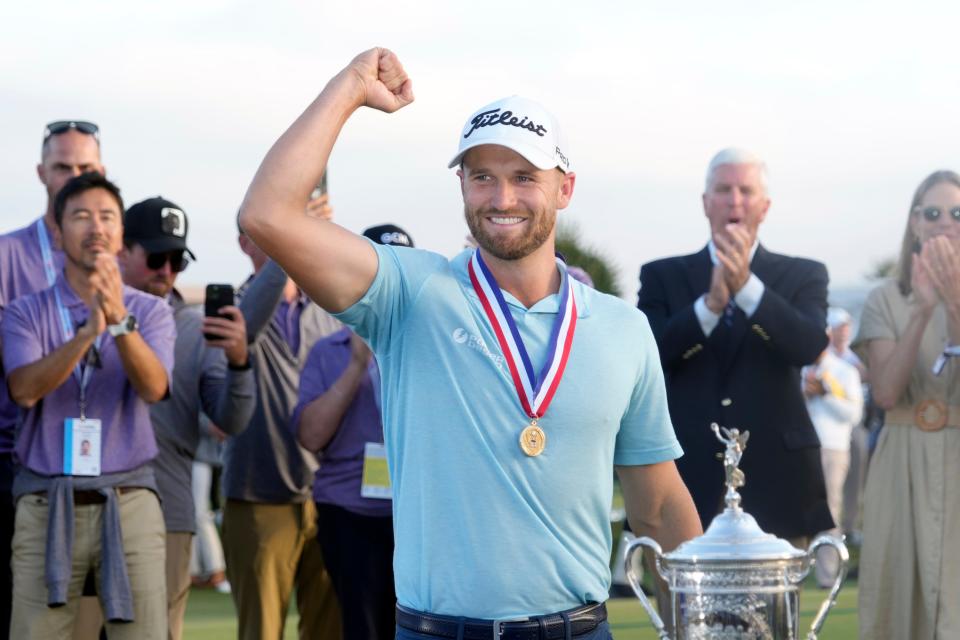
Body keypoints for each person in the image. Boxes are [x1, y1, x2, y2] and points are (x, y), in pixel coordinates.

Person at [238, 47, 702, 639]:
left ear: (565, 189)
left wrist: (708, 623)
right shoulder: (411, 292)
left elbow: (658, 505)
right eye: (482, 176)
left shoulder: (622, 328)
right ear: (461, 183)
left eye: (524, 177)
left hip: (579, 630)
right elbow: (267, 214)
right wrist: (350, 88)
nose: (502, 198)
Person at [1, 172, 175, 639]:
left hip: (130, 499)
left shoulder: (152, 311)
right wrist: (84, 334)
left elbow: (155, 387)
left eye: (107, 217)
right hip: (45, 501)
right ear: (57, 233)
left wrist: (118, 319)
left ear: (120, 235)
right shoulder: (25, 311)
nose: (95, 227)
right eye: (80, 216)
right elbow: (24, 389)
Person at [638, 148, 833, 546]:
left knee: (775, 610)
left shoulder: (803, 274)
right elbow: (649, 356)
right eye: (724, 189)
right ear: (706, 203)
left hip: (777, 479)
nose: (735, 200)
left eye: (746, 190)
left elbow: (808, 345)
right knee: (681, 609)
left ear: (764, 207)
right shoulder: (662, 276)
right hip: (684, 475)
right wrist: (709, 308)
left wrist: (747, 288)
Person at [119, 196, 256, 640]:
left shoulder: (195, 327)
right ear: (122, 250)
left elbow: (230, 419)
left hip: (167, 507)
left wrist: (238, 362)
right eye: (156, 257)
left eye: (177, 259)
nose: (167, 270)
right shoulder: (87, 312)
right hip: (87, 504)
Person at [0, 121, 105, 638]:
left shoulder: (114, 262)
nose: (73, 176)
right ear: (42, 172)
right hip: (14, 460)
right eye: (62, 166)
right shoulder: (7, 256)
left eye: (84, 167)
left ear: (101, 172)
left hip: (100, 469)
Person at [221, 195, 342, 640]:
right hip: (257, 497)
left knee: (330, 629)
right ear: (242, 243)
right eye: (265, 230)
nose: (278, 237)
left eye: (283, 229)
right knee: (261, 632)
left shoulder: (331, 311)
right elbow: (247, 327)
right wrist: (290, 229)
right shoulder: (233, 309)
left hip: (327, 497)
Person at [852, 169, 960, 639]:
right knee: (898, 594)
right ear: (914, 223)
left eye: (957, 213)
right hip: (901, 457)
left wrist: (954, 303)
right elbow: (887, 393)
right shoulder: (884, 298)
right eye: (932, 212)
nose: (943, 223)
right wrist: (922, 310)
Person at [294, 223, 412, 640]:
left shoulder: (428, 348)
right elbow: (310, 437)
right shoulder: (329, 351)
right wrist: (357, 364)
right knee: (361, 628)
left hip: (414, 515)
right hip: (348, 513)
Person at [801, 327, 862, 588]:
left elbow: (854, 415)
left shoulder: (844, 370)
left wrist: (825, 394)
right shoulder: (799, 369)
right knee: (796, 512)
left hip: (833, 446)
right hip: (802, 447)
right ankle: (797, 573)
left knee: (830, 511)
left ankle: (828, 576)